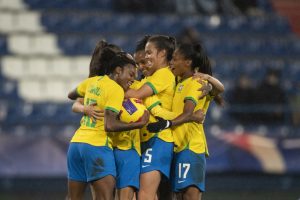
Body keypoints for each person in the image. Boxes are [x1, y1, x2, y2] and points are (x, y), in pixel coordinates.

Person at [67, 49, 149, 200]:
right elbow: (109, 125)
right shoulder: (116, 89)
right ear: (118, 70)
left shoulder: (92, 81)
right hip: (96, 145)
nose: (132, 80)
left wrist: (87, 106)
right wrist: (139, 124)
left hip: (76, 144)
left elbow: (71, 95)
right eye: (131, 75)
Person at [147, 43, 224, 200]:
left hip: (190, 147)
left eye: (175, 59)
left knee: (189, 195)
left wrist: (166, 123)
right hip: (179, 147)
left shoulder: (196, 83)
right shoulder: (180, 82)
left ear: (188, 62)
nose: (171, 63)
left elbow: (187, 113)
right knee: (179, 196)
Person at [125, 35, 176, 200]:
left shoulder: (163, 74)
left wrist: (112, 90)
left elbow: (138, 93)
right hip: (147, 140)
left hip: (158, 139)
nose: (146, 58)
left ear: (162, 54)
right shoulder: (151, 77)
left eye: (148, 53)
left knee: (145, 195)